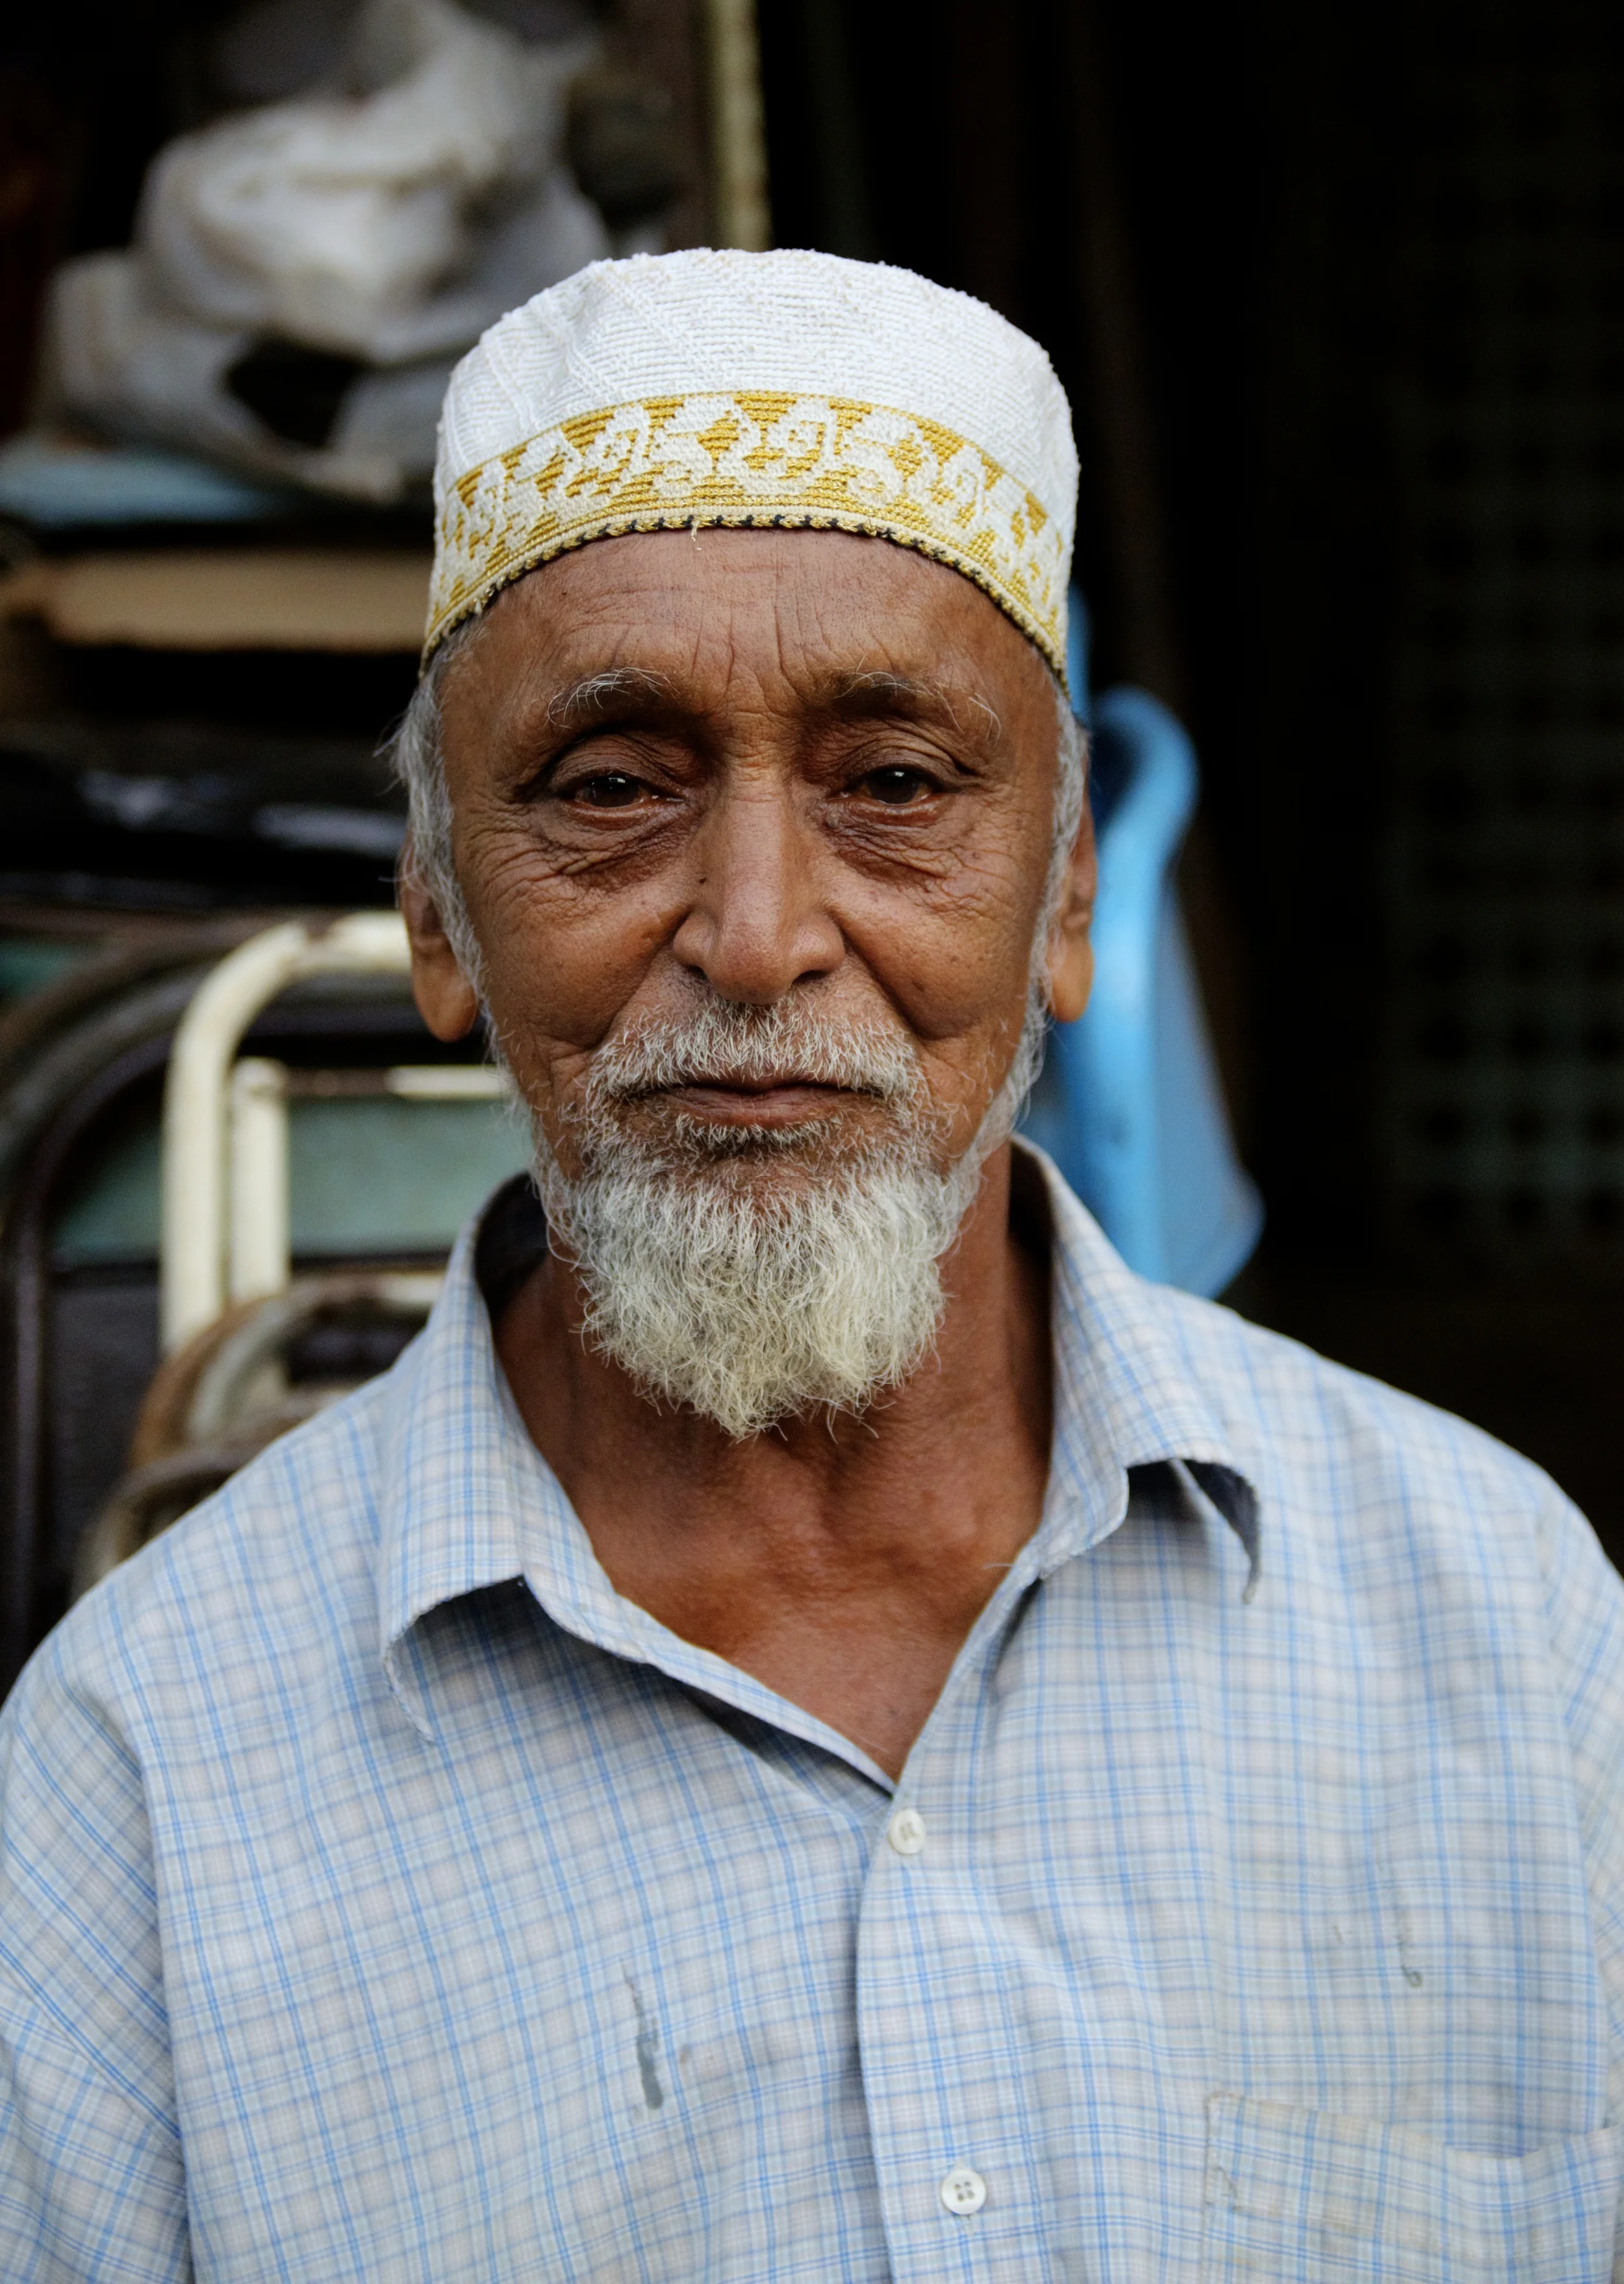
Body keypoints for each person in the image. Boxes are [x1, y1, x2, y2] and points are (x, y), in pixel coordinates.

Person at [3, 250, 1623, 2284]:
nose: (758, 931)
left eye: (895, 786)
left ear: (1063, 899)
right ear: (435, 914)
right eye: (610, 788)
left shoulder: (1503, 1625)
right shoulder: (135, 1788)